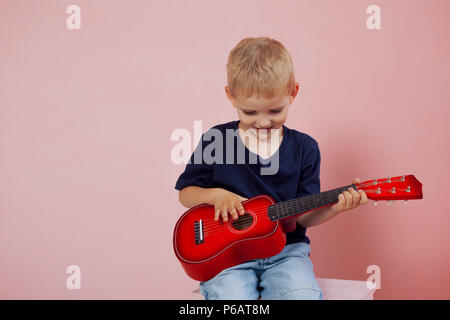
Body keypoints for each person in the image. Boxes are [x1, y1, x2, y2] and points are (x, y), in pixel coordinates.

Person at [174, 37, 368, 300]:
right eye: (250, 112)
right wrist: (214, 195)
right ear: (231, 96)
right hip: (227, 255)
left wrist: (335, 207)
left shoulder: (305, 148)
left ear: (293, 93)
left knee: (303, 296)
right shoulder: (216, 140)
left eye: (275, 111)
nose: (263, 122)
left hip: (286, 253)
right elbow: (186, 193)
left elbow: (304, 216)